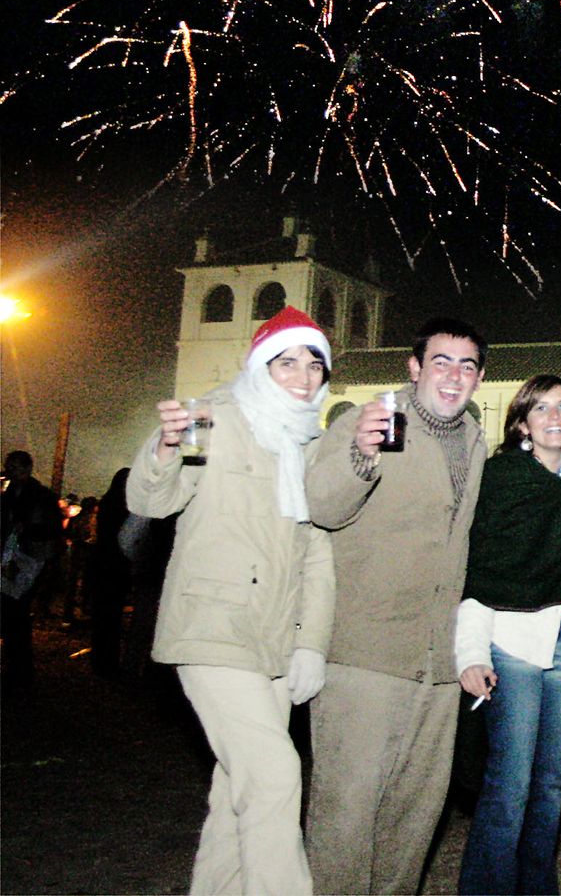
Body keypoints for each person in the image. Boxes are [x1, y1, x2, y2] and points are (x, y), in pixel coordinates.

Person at [124, 306, 336, 894]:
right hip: (212, 627)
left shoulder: (307, 442)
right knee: (274, 775)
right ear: (259, 366)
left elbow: (315, 554)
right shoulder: (213, 415)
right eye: (286, 360)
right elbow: (151, 499)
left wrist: (310, 643)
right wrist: (164, 449)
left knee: (236, 791)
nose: (302, 375)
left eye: (314, 364)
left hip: (273, 639)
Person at [304, 317, 488, 895]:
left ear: (479, 378)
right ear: (414, 367)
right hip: (364, 652)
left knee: (414, 815)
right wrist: (360, 455)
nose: (453, 376)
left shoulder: (476, 441)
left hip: (436, 666)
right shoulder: (369, 419)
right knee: (346, 813)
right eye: (441, 361)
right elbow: (321, 505)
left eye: (466, 366)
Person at [454, 374, 561, 894]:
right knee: (509, 785)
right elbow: (479, 567)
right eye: (541, 409)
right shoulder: (503, 477)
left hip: (559, 639)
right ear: (522, 423)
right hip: (507, 638)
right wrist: (470, 652)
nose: (554, 418)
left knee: (552, 784)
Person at [2, 449, 62, 687]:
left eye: (15, 467)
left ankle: (20, 671)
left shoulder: (40, 496)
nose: (11, 472)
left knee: (16, 615)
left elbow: (50, 529)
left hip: (29, 561)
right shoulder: (10, 495)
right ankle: (16, 667)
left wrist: (27, 528)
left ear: (27, 468)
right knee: (11, 616)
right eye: (9, 467)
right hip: (12, 559)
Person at [88, 468, 134, 679]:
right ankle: (109, 662)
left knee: (101, 615)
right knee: (113, 616)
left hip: (101, 564)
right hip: (117, 566)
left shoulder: (106, 504)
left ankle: (99, 660)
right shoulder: (127, 508)